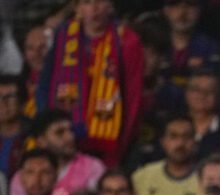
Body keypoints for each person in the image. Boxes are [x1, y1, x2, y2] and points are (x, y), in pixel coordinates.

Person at [36, 0, 144, 165]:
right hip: (63, 137)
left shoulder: (127, 40)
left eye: (100, 2)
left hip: (107, 142)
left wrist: (122, 145)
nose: (94, 9)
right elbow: (45, 82)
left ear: (110, 5)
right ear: (77, 7)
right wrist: (46, 127)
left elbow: (133, 98)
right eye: (87, 2)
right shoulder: (64, 34)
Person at [10, 109, 105, 195]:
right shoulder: (23, 177)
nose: (70, 137)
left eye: (71, 130)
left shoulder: (92, 168)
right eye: (60, 132)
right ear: (41, 141)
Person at [132, 114, 201, 195]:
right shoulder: (142, 176)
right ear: (163, 142)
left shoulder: (206, 178)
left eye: (186, 137)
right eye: (173, 136)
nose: (180, 143)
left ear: (194, 142)